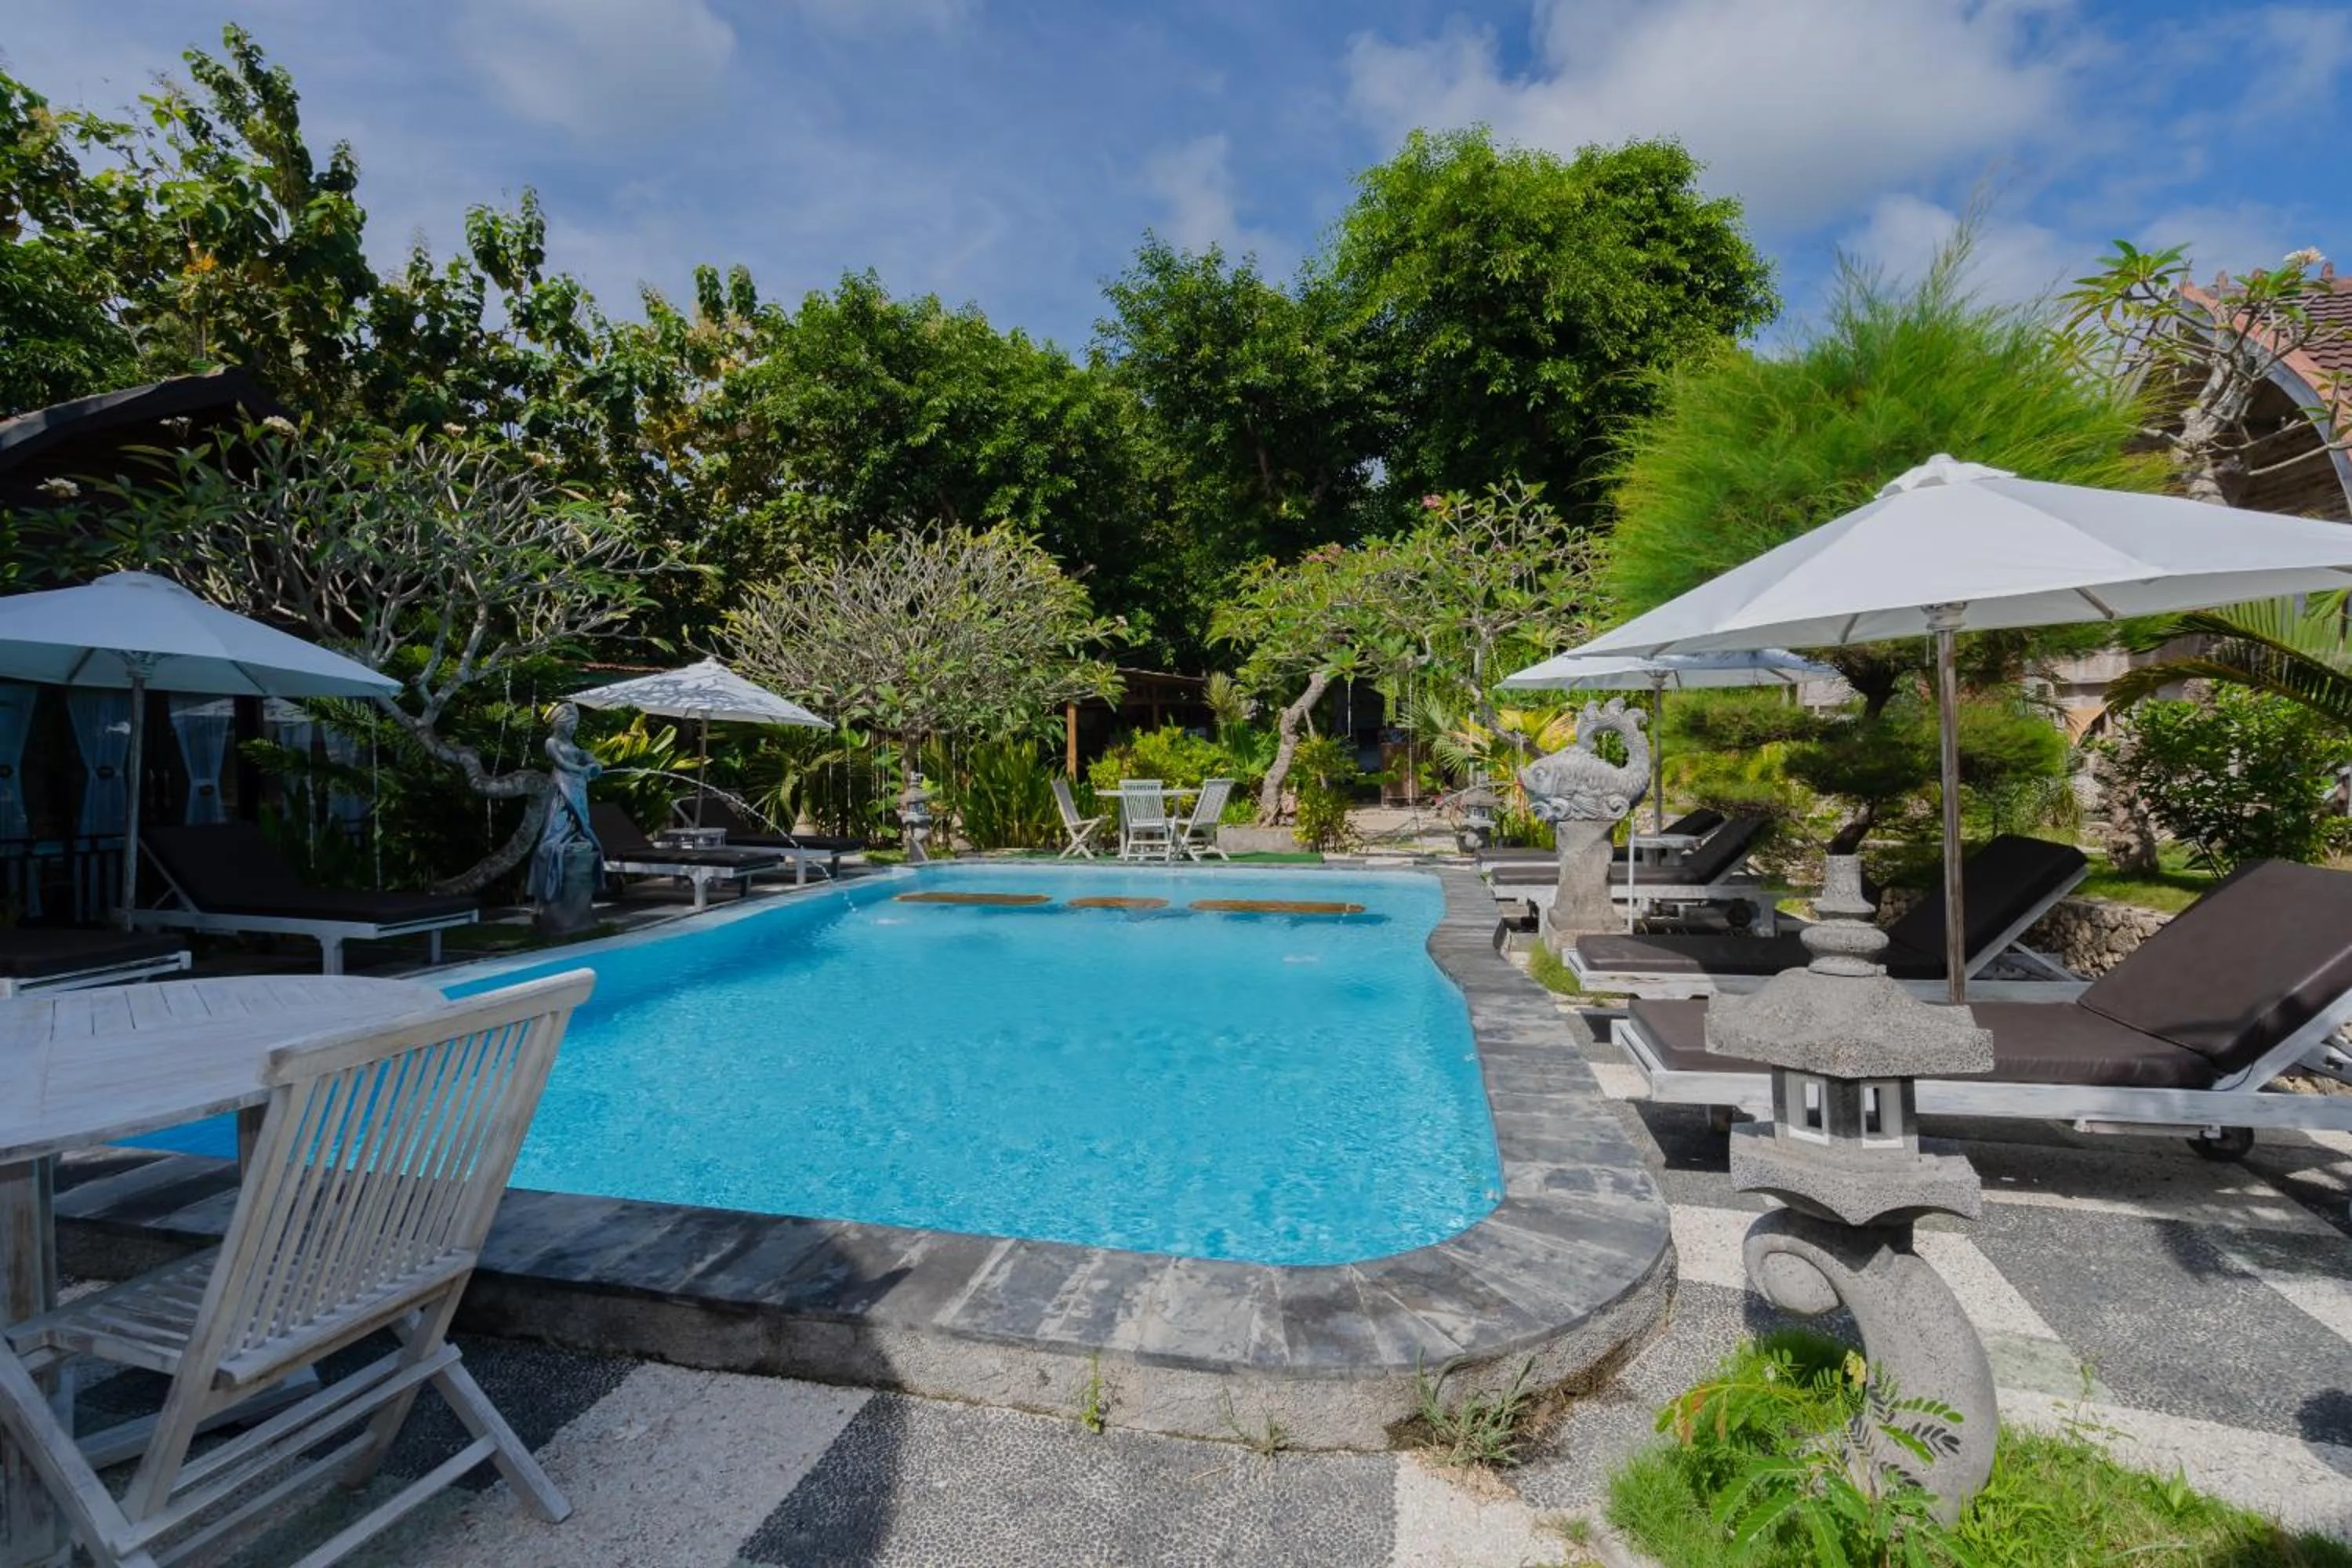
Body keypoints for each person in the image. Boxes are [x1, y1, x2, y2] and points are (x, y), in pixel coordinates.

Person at [530, 702, 603, 906]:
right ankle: (559, 839)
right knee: (560, 817)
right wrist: (582, 771)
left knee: (580, 818)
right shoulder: (551, 743)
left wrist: (593, 763)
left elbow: (584, 756)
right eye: (570, 725)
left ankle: (576, 834)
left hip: (578, 788)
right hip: (562, 786)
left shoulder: (572, 745)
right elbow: (562, 764)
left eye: (575, 725)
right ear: (559, 724)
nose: (573, 729)